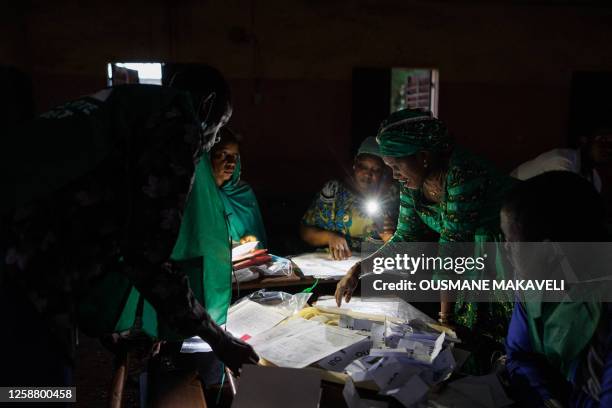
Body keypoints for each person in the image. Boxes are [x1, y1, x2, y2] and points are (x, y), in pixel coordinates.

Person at [0, 66, 257, 388]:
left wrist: (109, 325)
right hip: (20, 271)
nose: (214, 139)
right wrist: (218, 339)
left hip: (23, 255)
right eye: (220, 127)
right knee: (36, 390)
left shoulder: (128, 106)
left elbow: (98, 221)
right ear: (206, 106)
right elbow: (146, 258)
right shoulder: (177, 123)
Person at [335, 108, 515, 372]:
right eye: (390, 167)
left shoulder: (463, 173)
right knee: (468, 343)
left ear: (423, 157)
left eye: (396, 166)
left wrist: (445, 320)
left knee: (498, 339)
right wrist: (358, 270)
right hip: (467, 260)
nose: (394, 175)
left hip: (505, 250)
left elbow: (453, 248)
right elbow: (405, 240)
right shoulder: (412, 183)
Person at [502, 171, 611, 407]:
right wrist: (548, 399)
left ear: (549, 252)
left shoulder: (602, 315)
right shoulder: (532, 283)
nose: (505, 248)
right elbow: (519, 355)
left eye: (511, 240)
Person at [300, 137, 399, 260]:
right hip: (335, 263)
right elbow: (305, 231)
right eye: (364, 167)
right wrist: (330, 237)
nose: (368, 174)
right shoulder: (334, 191)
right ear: (355, 164)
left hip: (373, 264)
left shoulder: (392, 196)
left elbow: (402, 249)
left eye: (376, 170)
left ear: (383, 171)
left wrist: (389, 236)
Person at [210, 128, 267, 247]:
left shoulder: (243, 192)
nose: (231, 162)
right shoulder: (201, 196)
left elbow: (253, 233)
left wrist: (248, 239)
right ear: (208, 157)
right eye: (223, 154)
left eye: (235, 156)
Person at [511, 127, 612, 192]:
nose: (608, 147)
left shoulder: (595, 179)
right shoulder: (561, 161)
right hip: (506, 203)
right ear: (584, 141)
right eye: (602, 139)